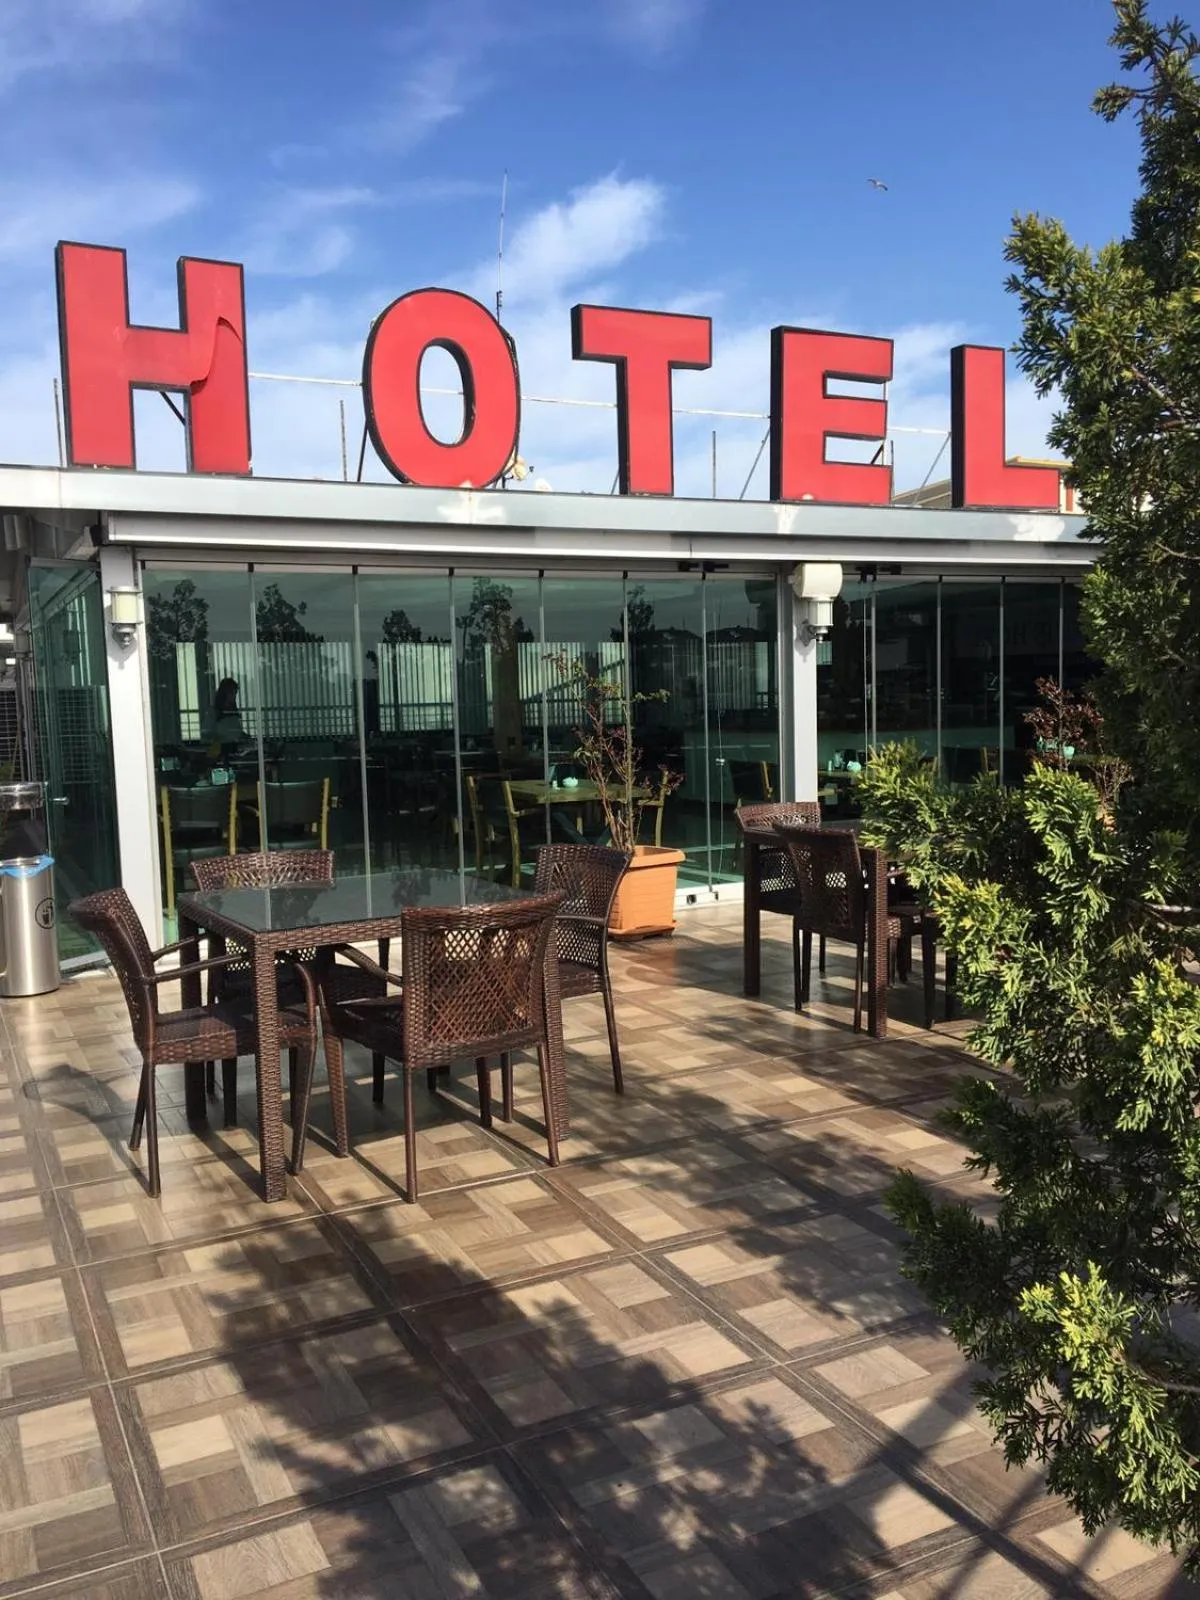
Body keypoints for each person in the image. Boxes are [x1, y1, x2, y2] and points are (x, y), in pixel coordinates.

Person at [212, 678, 245, 756]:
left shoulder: (232, 710)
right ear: (225, 693)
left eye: (235, 693)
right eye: (232, 693)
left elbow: (236, 729)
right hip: (220, 751)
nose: (234, 697)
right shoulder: (215, 712)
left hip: (232, 749)